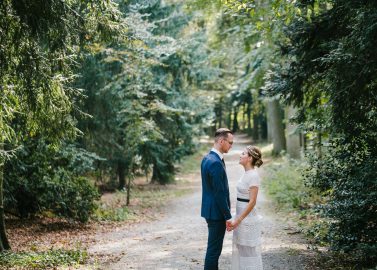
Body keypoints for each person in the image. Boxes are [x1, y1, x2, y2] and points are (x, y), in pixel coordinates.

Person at [201, 128, 234, 270]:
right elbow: (219, 193)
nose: (231, 146)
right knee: (214, 251)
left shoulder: (207, 158)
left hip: (211, 211)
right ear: (221, 141)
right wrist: (228, 216)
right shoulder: (215, 162)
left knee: (213, 249)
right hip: (216, 213)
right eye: (230, 143)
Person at [228, 145, 263, 270]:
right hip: (240, 216)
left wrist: (239, 219)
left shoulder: (253, 175)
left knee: (249, 251)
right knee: (241, 249)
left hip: (247, 218)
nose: (240, 155)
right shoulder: (246, 174)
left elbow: (252, 201)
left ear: (249, 158)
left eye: (243, 154)